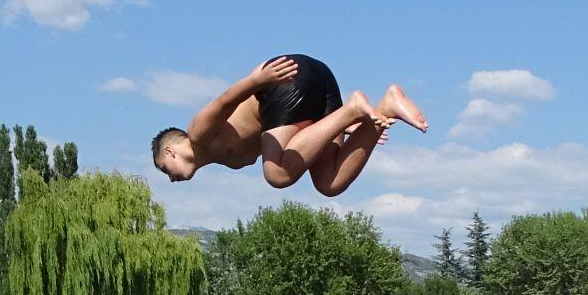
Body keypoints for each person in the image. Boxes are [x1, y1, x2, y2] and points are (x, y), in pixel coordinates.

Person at [150, 54, 428, 198]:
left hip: (283, 78)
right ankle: (384, 108)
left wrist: (258, 80)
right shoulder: (231, 161)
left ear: (172, 151)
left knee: (277, 173)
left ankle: (353, 109)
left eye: (164, 169)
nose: (170, 178)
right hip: (313, 90)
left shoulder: (198, 134)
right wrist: (339, 128)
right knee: (330, 182)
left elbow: (225, 101)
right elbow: (293, 134)